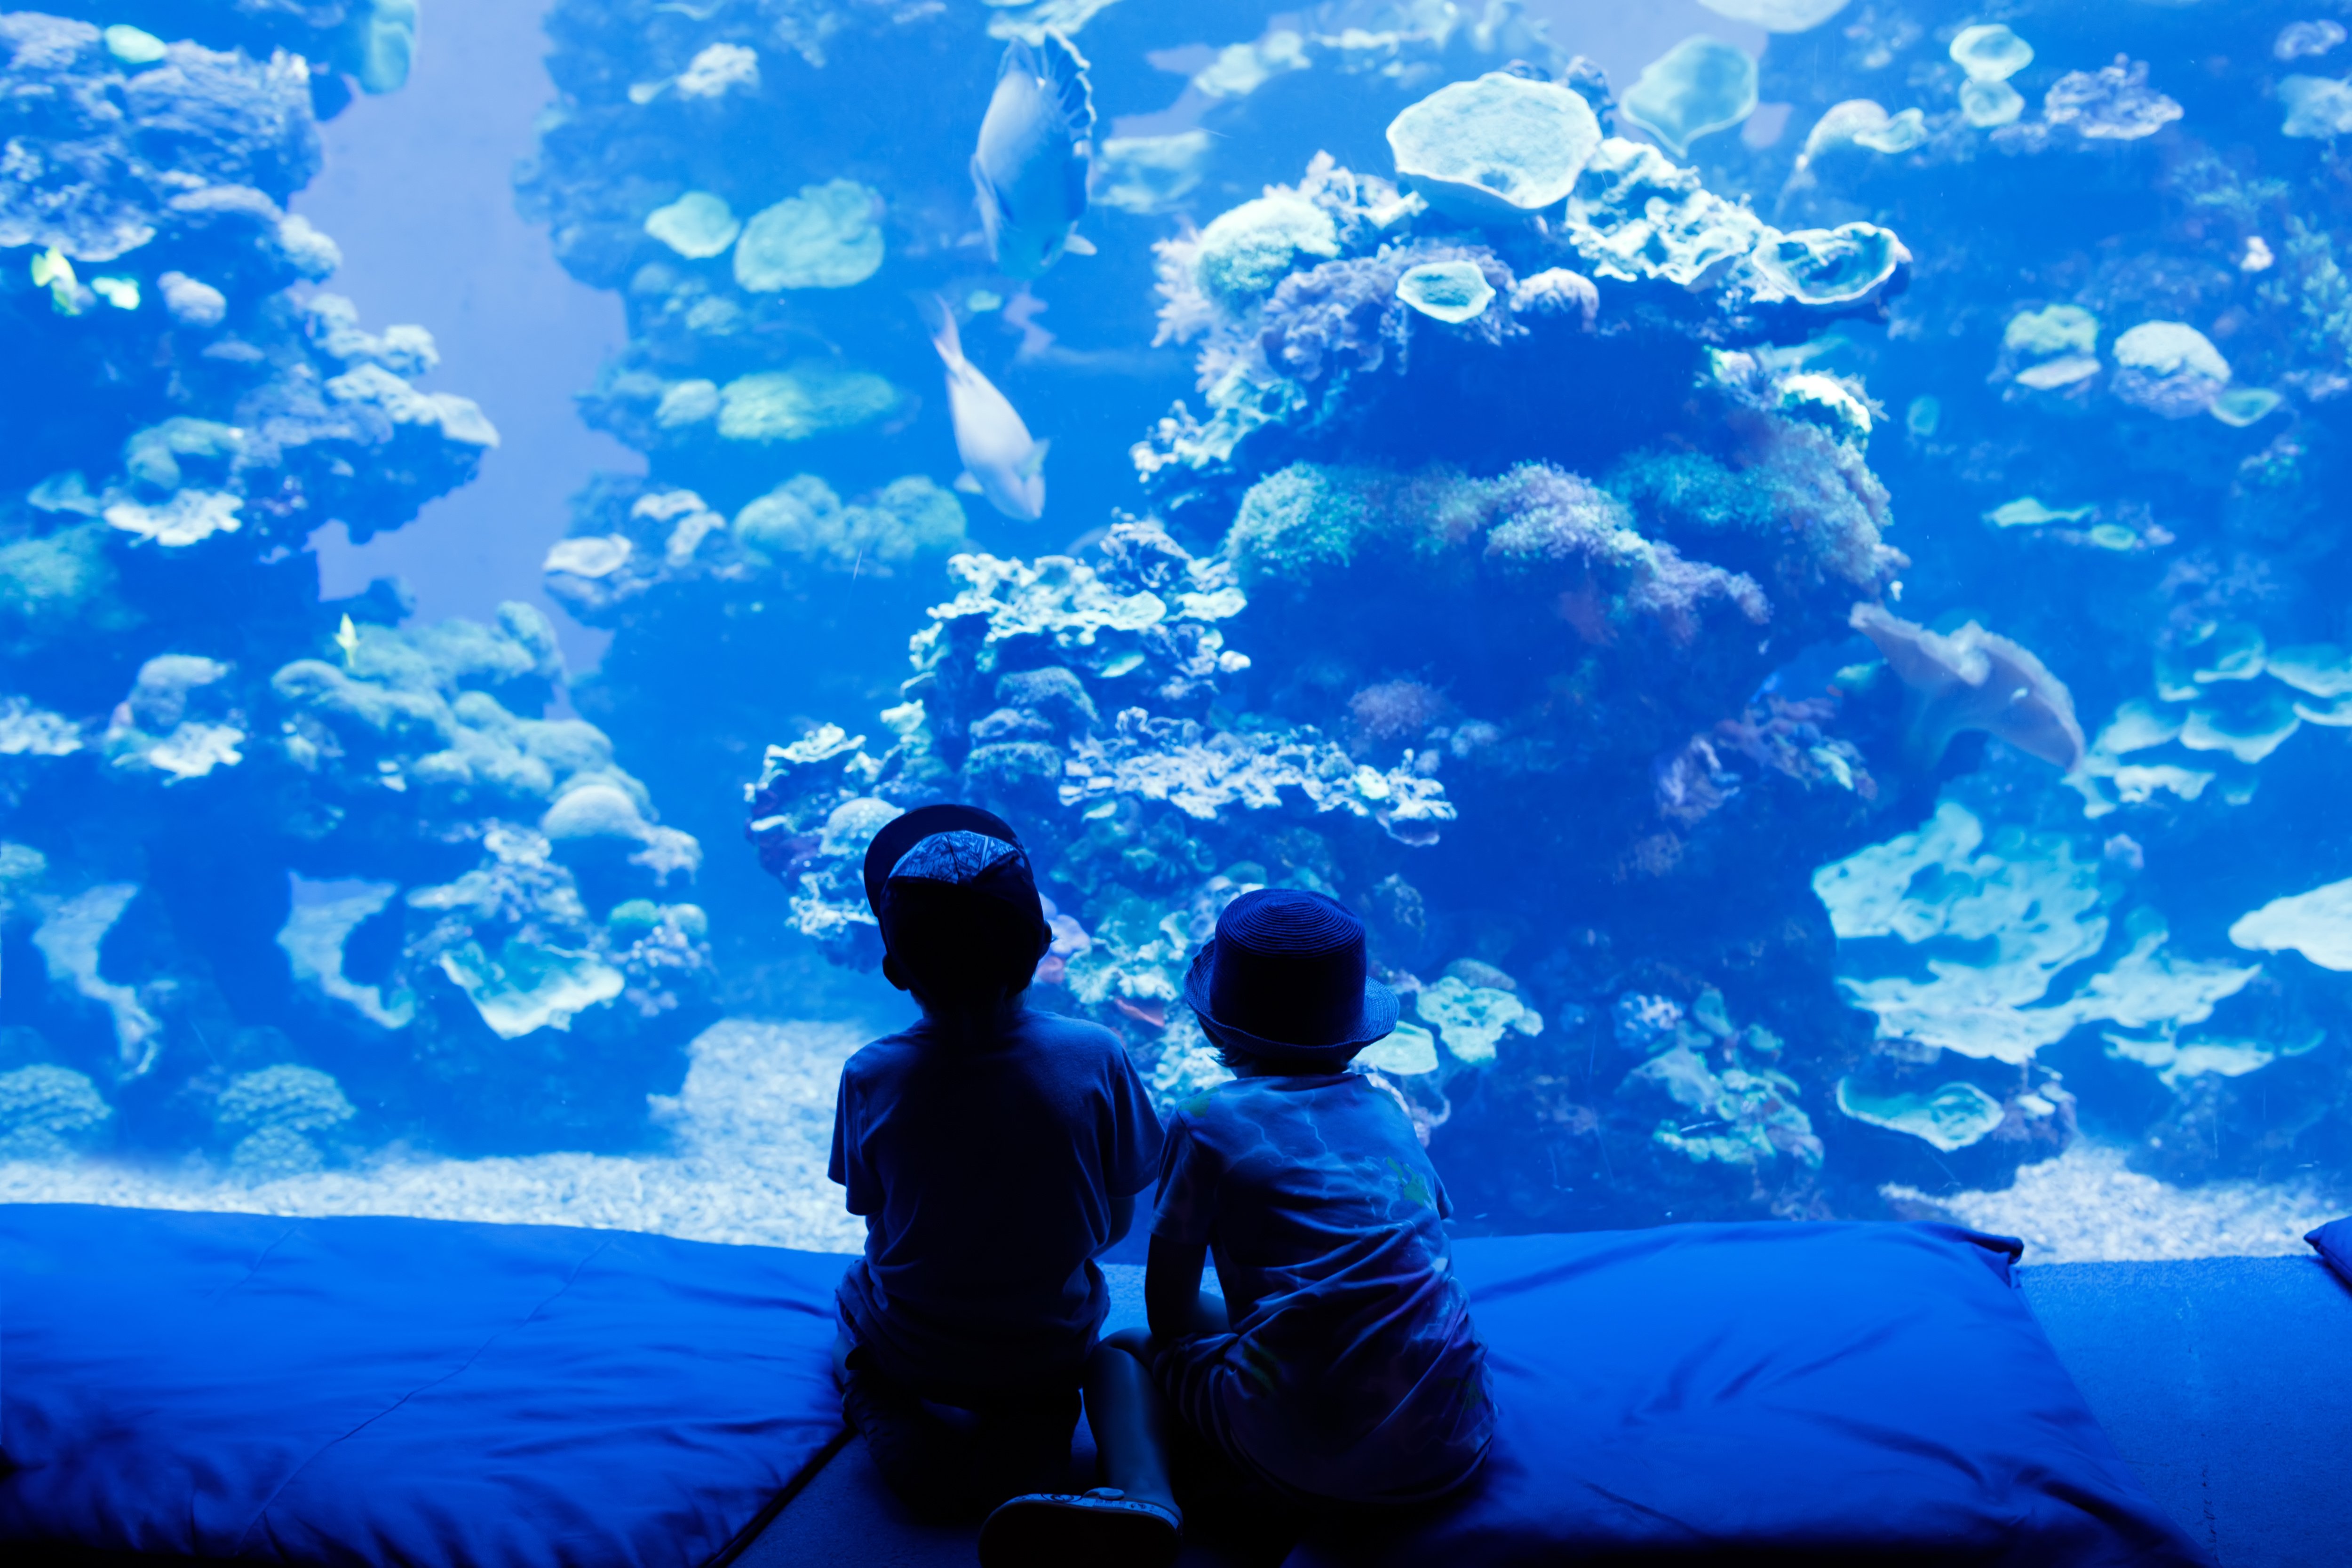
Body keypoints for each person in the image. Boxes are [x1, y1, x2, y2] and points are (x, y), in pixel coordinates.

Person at [980, 889, 1495, 1566]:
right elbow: (1410, 1255)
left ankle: (1146, 1497)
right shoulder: (1392, 1112)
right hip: (1453, 1440)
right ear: (1355, 1024)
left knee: (1122, 1350)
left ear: (1214, 1024)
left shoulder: (1205, 1121)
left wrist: (1273, 1318)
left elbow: (1167, 1312)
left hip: (1303, 1436)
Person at [829, 804, 1163, 1522]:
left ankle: (881, 1403)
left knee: (854, 1291)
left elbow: (870, 1209)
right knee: (1046, 1377)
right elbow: (1117, 1217)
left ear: (893, 968)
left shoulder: (869, 1074)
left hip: (917, 1345)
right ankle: (1037, 1432)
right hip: (1046, 1346)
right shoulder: (1099, 1053)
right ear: (1045, 944)